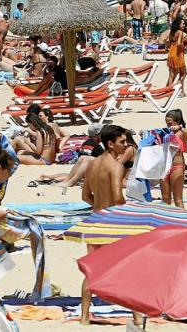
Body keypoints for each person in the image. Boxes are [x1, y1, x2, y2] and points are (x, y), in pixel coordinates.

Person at [81, 125, 128, 325]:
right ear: (110, 144)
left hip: (94, 221)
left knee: (92, 270)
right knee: (129, 266)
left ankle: (84, 317)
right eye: (122, 142)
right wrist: (127, 209)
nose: (125, 145)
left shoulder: (91, 164)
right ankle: (136, 316)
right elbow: (117, 197)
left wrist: (99, 206)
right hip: (111, 222)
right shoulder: (116, 166)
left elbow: (85, 196)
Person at [162, 110, 187, 208]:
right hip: (164, 166)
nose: (168, 125)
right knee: (165, 199)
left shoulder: (181, 133)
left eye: (170, 123)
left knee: (178, 199)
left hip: (177, 166)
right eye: (166, 123)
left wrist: (180, 127)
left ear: (177, 121)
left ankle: (183, 218)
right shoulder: (165, 133)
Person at [166, 17, 187, 97]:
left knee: (171, 75)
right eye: (183, 23)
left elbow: (168, 42)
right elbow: (179, 44)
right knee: (183, 73)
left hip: (171, 53)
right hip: (177, 54)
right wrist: (185, 49)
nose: (184, 25)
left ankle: (169, 92)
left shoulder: (172, 32)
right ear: (178, 24)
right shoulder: (181, 33)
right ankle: (178, 88)